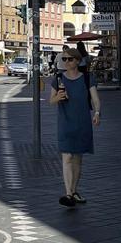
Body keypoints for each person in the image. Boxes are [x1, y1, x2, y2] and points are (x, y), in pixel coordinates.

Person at [49, 46, 100, 207]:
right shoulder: (58, 79)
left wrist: (97, 113)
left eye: (70, 59)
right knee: (67, 156)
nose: (66, 62)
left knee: (77, 158)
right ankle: (68, 193)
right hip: (65, 122)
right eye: (64, 59)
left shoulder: (86, 78)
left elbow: (95, 99)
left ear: (77, 61)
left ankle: (74, 190)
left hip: (82, 121)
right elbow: (51, 101)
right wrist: (57, 97)